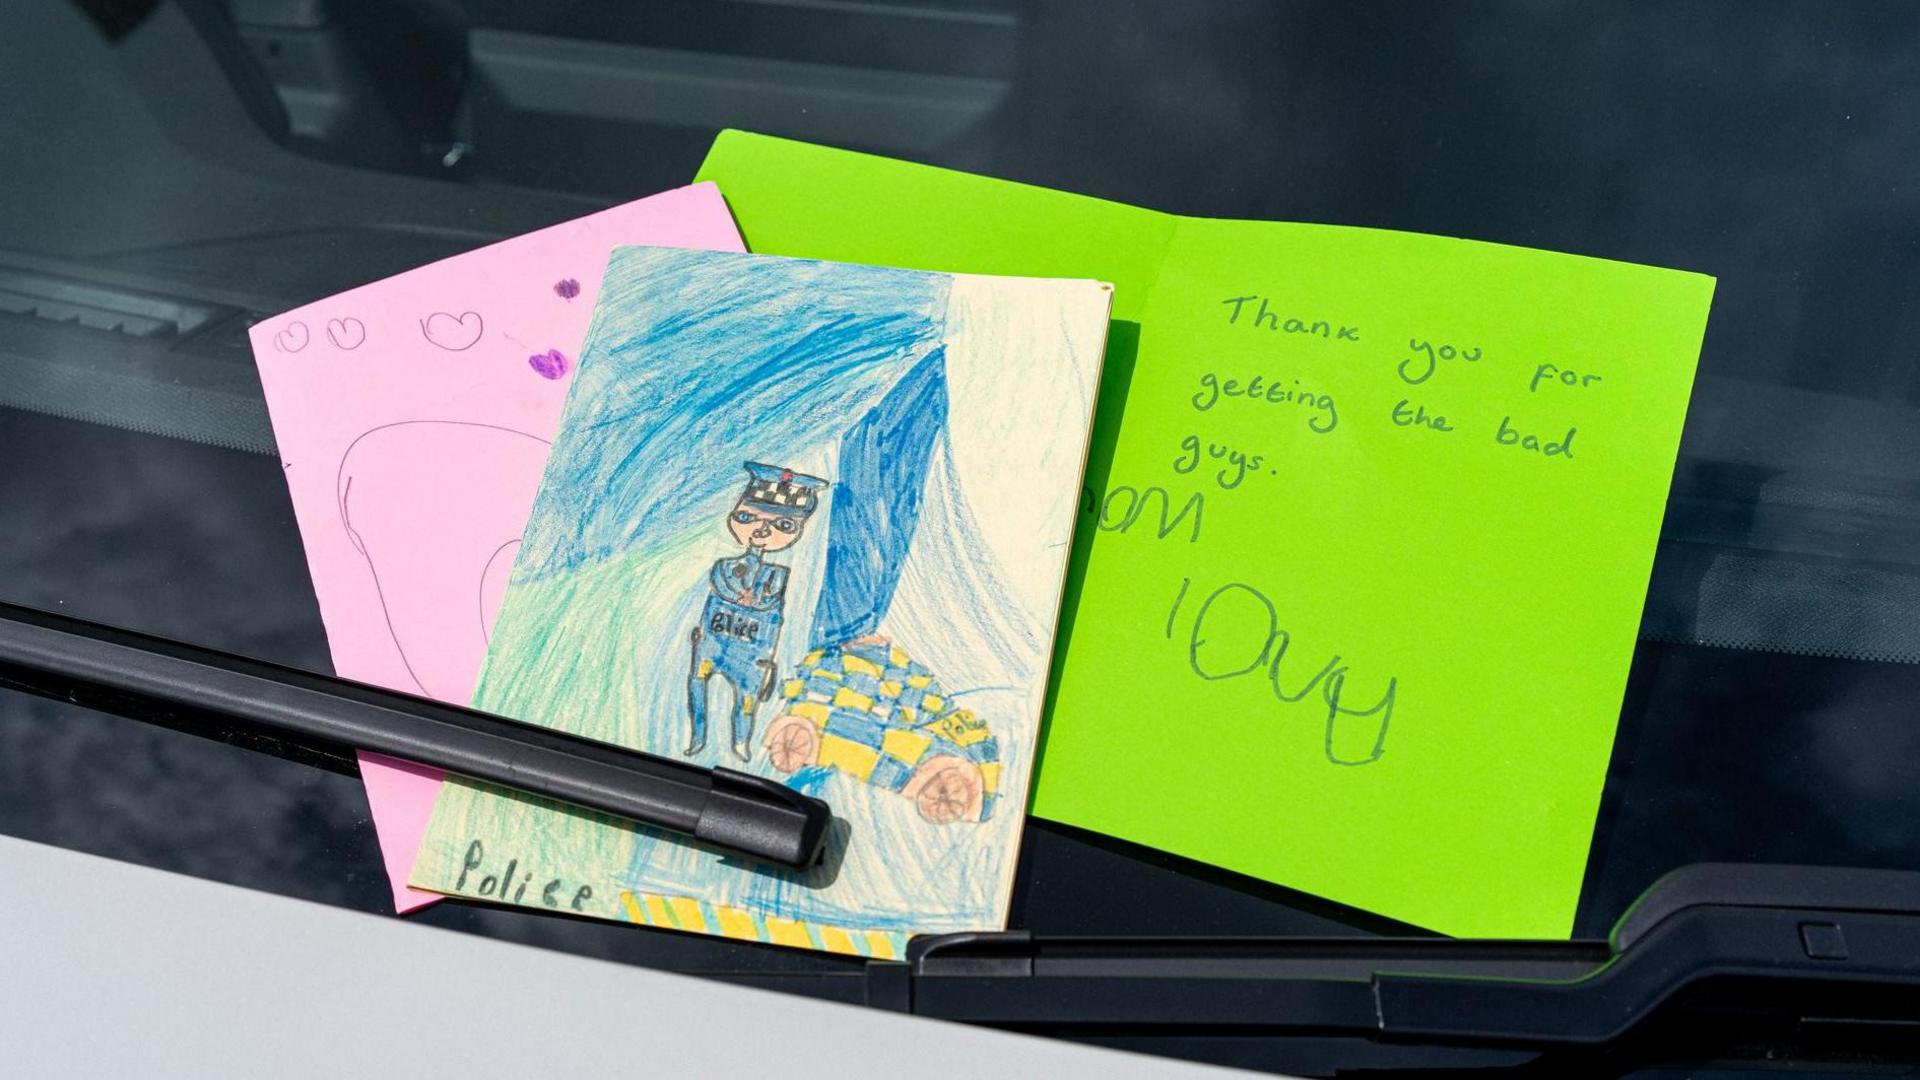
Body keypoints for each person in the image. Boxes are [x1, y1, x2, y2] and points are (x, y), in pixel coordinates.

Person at [686, 462, 827, 760]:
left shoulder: (778, 576)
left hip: (752, 652)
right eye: (747, 517)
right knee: (698, 683)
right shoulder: (724, 567)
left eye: (782, 526)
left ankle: (740, 743)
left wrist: (752, 598)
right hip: (715, 640)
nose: (761, 531)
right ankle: (698, 737)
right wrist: (743, 594)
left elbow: (766, 600)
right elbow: (724, 586)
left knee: (747, 701)